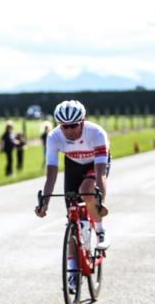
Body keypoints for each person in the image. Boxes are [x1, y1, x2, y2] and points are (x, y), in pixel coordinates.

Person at [35, 100, 111, 291]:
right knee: (72, 216)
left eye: (73, 125)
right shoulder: (54, 137)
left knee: (87, 192)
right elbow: (51, 173)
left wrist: (101, 201)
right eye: (64, 126)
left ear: (83, 121)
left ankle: (100, 230)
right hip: (73, 165)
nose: (69, 130)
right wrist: (45, 201)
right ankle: (72, 270)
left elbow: (101, 173)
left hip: (95, 164)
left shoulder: (96, 133)